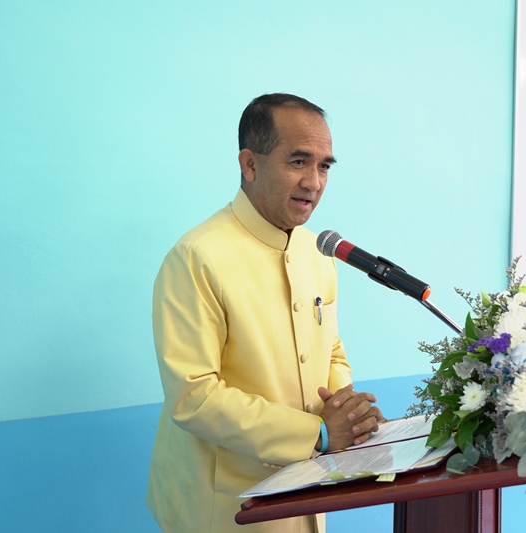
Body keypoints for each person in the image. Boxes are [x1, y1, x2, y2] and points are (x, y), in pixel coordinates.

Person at [146, 93, 384, 533]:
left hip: (309, 487)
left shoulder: (318, 254)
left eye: (324, 166)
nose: (314, 182)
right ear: (250, 164)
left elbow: (330, 350)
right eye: (299, 162)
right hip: (229, 507)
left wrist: (348, 414)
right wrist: (319, 433)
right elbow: (193, 396)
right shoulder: (197, 257)